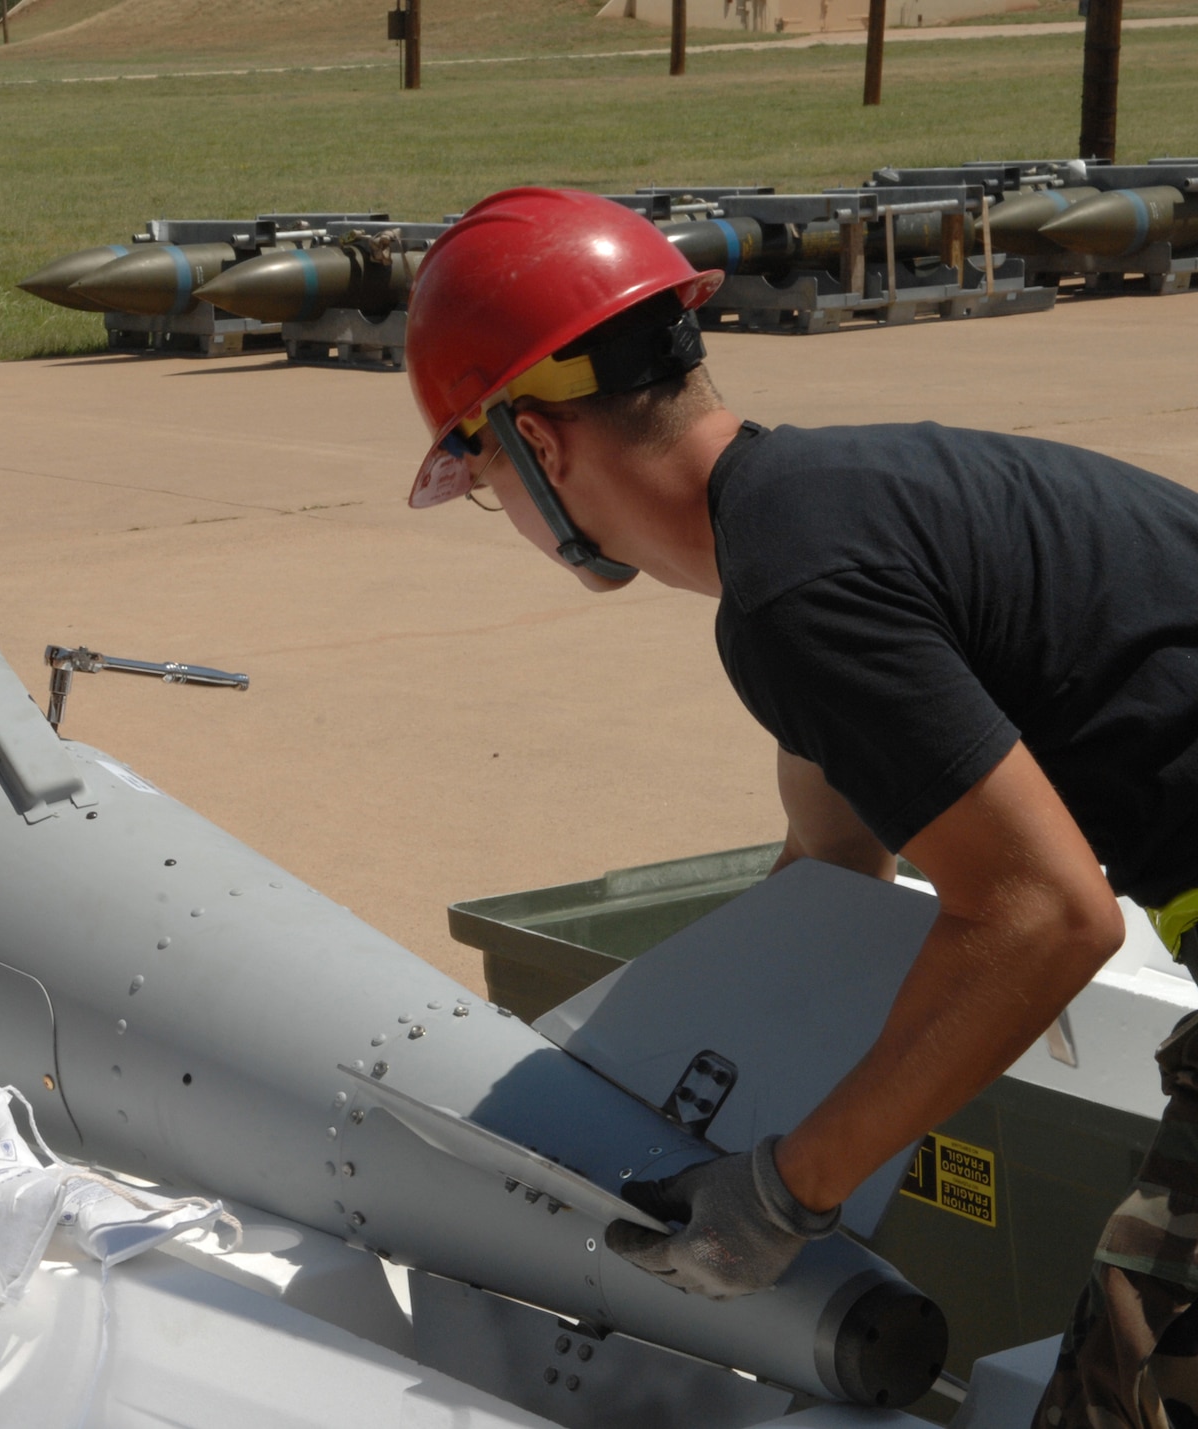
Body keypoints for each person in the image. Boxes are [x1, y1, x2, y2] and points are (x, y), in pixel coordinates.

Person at [402, 186, 1198, 1428]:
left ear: (541, 447)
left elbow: (1048, 918)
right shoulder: (819, 514)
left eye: (477, 466)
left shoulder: (795, 592)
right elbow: (832, 872)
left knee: (1131, 1391)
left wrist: (784, 1194)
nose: (496, 507)